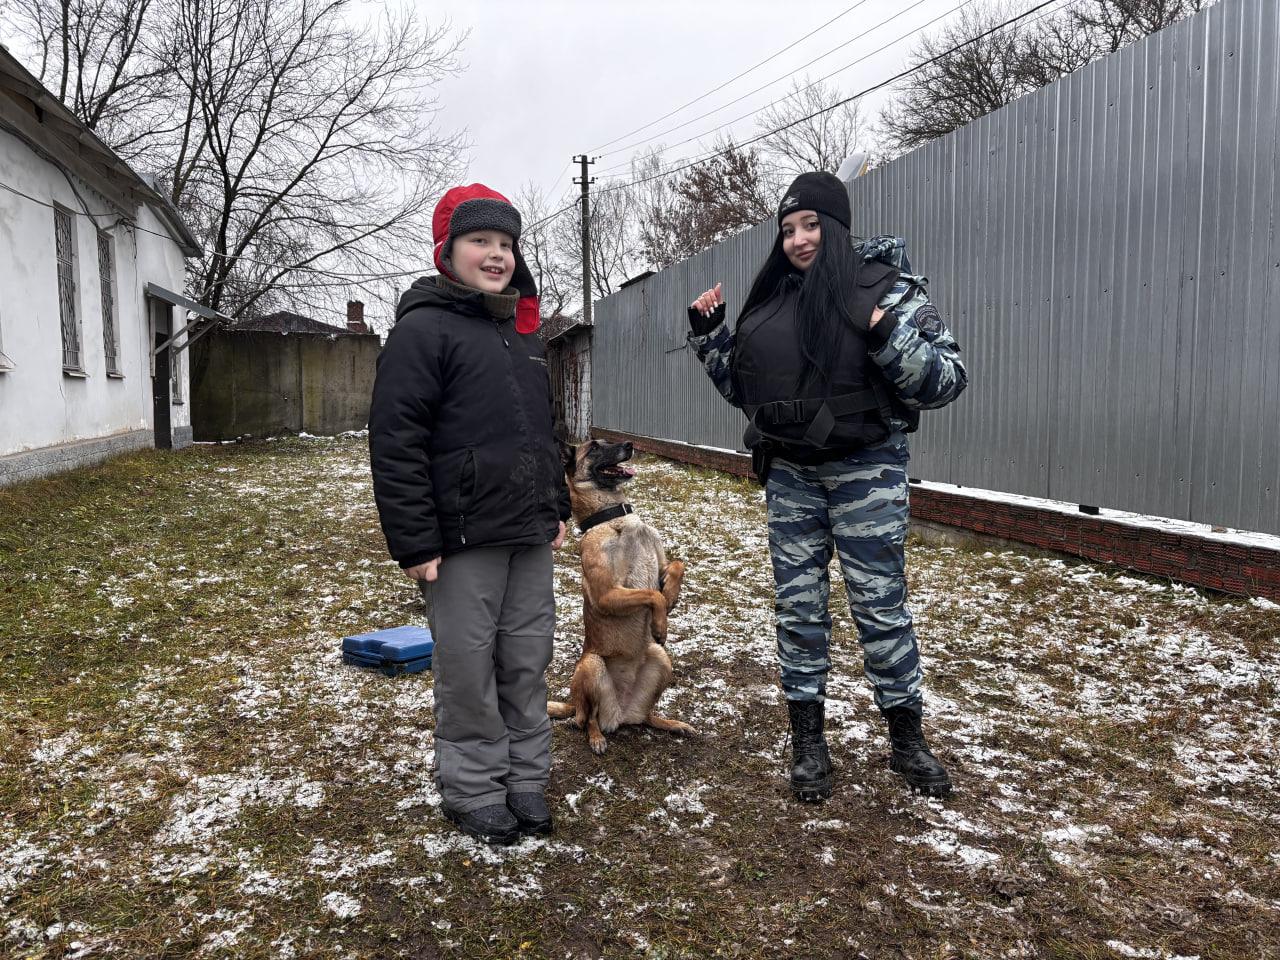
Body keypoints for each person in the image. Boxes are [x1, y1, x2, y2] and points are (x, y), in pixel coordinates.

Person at [686, 171, 968, 801]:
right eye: (788, 229)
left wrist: (882, 329)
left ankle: (906, 742)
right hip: (791, 476)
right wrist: (711, 338)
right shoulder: (771, 303)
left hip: (866, 473)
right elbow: (749, 392)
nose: (798, 239)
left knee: (879, 607)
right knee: (799, 610)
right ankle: (808, 743)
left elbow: (946, 380)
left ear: (835, 227)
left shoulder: (888, 291)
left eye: (810, 224)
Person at [369, 183, 570, 844]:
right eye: (480, 240)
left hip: (528, 531)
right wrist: (415, 541)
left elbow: (544, 429)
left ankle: (524, 780)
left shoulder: (523, 335)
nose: (496, 255)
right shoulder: (423, 329)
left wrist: (558, 503)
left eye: (506, 243)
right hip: (460, 540)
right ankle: (474, 787)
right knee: (468, 667)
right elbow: (396, 441)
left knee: (526, 659)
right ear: (448, 250)